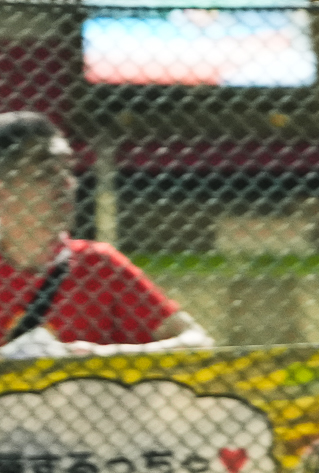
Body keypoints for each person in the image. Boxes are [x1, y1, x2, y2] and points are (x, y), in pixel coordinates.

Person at [0, 111, 210, 357]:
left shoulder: (98, 264)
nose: (67, 183)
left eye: (67, 168)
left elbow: (198, 341)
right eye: (45, 171)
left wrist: (102, 356)